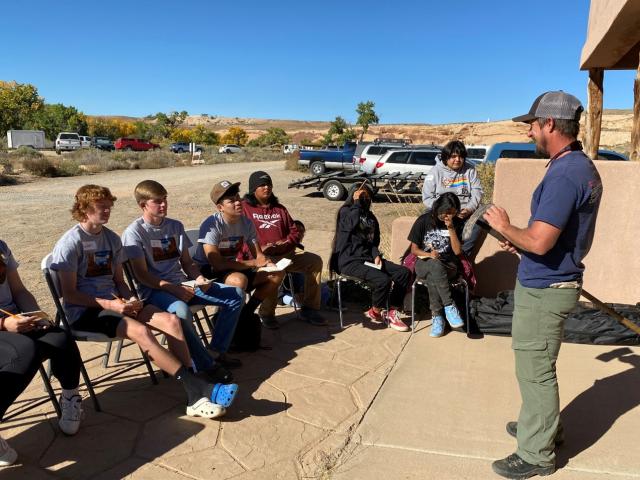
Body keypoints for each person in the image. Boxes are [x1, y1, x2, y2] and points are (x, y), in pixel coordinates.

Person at [483, 91, 602, 479]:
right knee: (538, 366)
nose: (530, 132)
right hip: (551, 282)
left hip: (545, 289)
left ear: (550, 124)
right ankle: (544, 426)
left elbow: (540, 241)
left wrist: (505, 227)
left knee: (535, 371)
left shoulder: (566, 173)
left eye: (532, 125)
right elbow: (543, 238)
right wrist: (516, 237)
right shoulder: (576, 166)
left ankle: (536, 454)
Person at [51, 184, 237, 420]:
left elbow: (119, 280)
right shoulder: (70, 243)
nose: (107, 212)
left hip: (117, 304)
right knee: (142, 332)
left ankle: (192, 381)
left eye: (109, 207)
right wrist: (112, 305)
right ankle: (196, 390)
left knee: (172, 321)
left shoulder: (111, 239)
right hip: (87, 312)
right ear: (85, 209)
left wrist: (129, 297)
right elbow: (70, 295)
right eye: (101, 207)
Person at [122, 180, 244, 374]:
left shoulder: (175, 226)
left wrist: (199, 279)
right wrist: (172, 288)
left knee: (236, 295)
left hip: (183, 284)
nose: (163, 205)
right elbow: (141, 275)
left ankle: (216, 351)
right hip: (154, 290)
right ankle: (205, 364)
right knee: (181, 310)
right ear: (143, 205)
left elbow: (188, 263)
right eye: (157, 201)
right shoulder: (134, 233)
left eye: (165, 199)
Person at [0, 240, 83, 467]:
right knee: (25, 352)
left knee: (60, 338)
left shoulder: (2, 246)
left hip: (15, 319)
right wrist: (4, 323)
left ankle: (70, 397)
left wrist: (35, 314)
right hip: (3, 326)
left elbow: (18, 290)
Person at [192, 180, 285, 329]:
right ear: (220, 207)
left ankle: (246, 313)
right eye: (231, 200)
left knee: (277, 274)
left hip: (231, 268)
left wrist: (268, 264)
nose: (238, 202)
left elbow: (259, 256)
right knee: (239, 280)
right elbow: (217, 263)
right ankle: (224, 321)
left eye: (238, 197)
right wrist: (253, 263)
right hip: (207, 273)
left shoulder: (246, 223)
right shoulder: (211, 224)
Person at [241, 171, 326, 327]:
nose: (267, 187)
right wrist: (261, 249)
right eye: (262, 185)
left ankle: (309, 309)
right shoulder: (245, 208)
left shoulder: (279, 209)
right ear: (253, 188)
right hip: (262, 258)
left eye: (269, 184)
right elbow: (240, 236)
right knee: (274, 271)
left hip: (286, 253)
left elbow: (294, 232)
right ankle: (267, 313)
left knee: (314, 261)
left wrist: (285, 243)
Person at [330, 182, 411, 332]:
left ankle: (392, 310)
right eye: (362, 195)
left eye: (367, 195)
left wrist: (375, 254)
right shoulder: (346, 211)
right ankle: (376, 310)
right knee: (383, 280)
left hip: (367, 259)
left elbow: (373, 241)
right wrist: (356, 204)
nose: (365, 198)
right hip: (349, 261)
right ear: (354, 195)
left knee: (403, 273)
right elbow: (348, 226)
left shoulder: (370, 216)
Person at [408, 192, 465, 337]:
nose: (448, 216)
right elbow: (414, 250)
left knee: (435, 272)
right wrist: (429, 255)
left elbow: (458, 252)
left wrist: (451, 228)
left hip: (449, 266)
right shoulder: (423, 221)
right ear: (438, 208)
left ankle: (437, 317)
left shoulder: (457, 223)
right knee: (434, 264)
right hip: (424, 263)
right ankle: (449, 305)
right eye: (446, 212)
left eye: (452, 213)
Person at [422, 140, 483, 256]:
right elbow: (427, 198)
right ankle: (432, 252)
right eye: (453, 156)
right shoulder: (435, 172)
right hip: (442, 212)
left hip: (464, 211)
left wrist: (469, 208)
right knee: (426, 216)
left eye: (461, 156)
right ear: (446, 157)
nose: (458, 160)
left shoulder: (470, 170)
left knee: (482, 219)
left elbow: (477, 191)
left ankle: (463, 255)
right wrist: (443, 211)